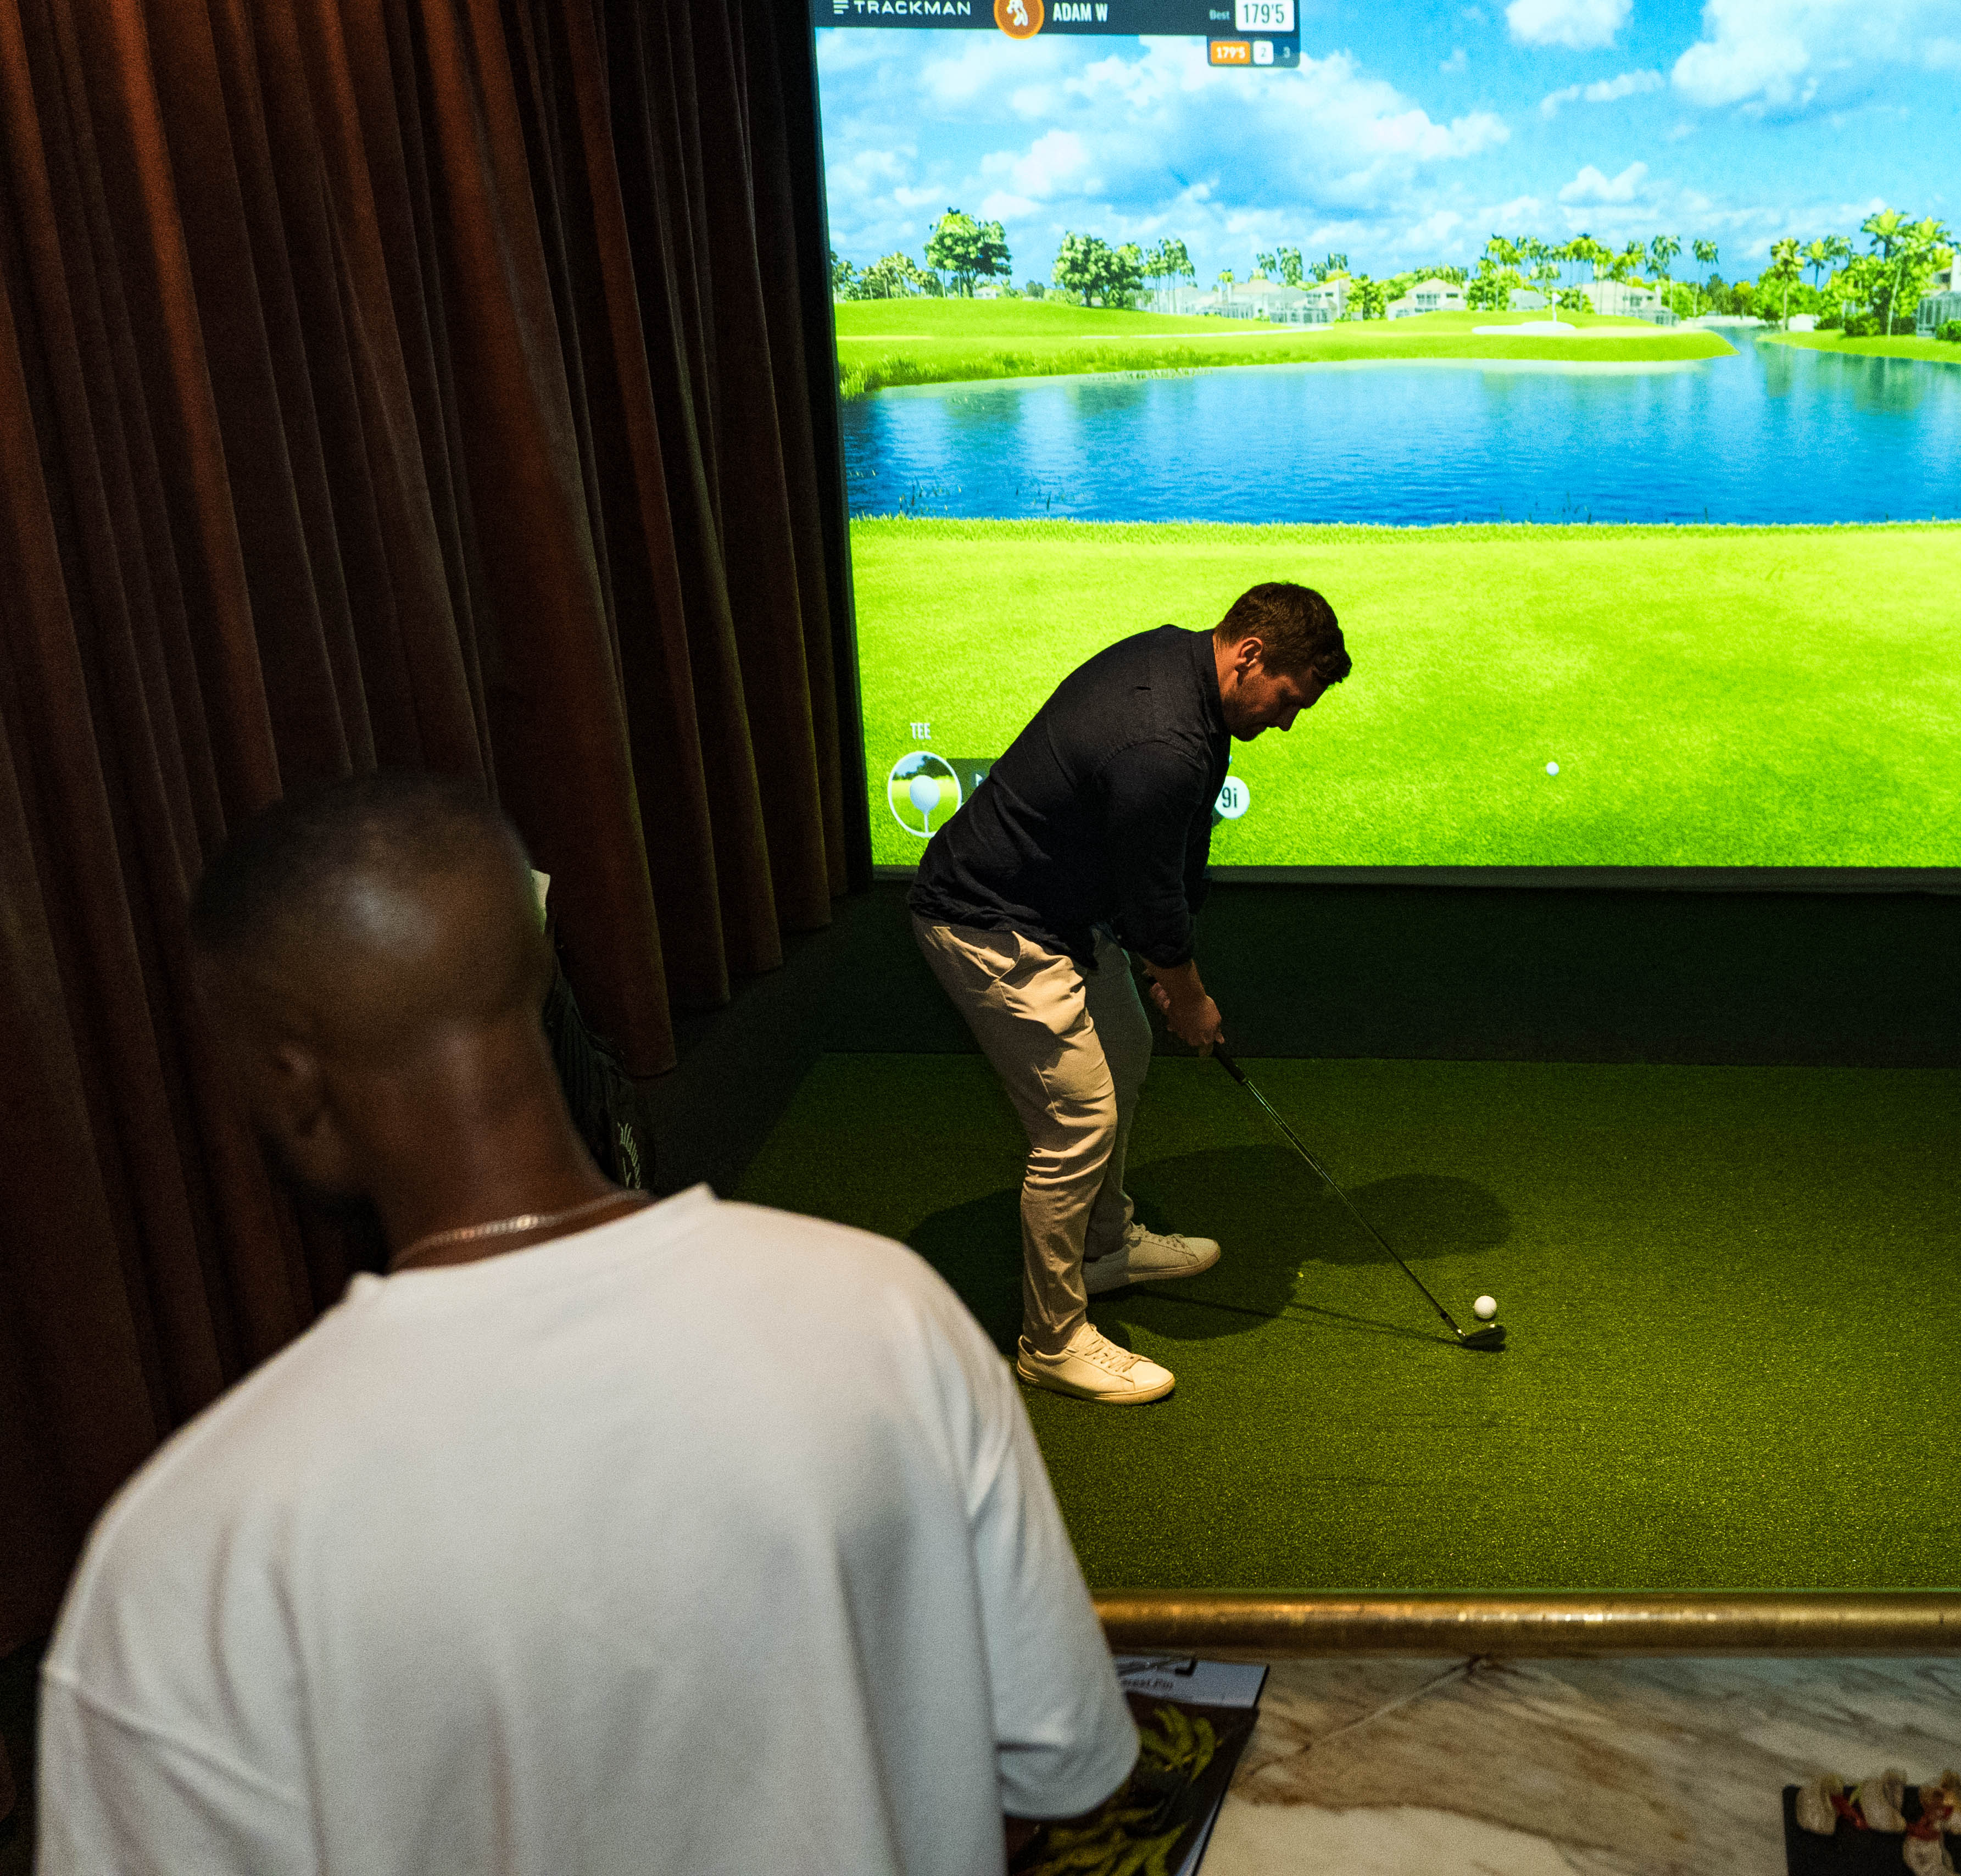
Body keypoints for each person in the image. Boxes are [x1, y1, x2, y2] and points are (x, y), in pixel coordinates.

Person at [37, 771, 1135, 1875]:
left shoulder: (187, 1549)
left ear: (289, 1078)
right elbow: (1056, 1766)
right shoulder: (890, 1313)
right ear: (538, 962)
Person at [910, 582, 1349, 1407]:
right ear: (1250, 656)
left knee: (1126, 1051)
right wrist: (1189, 994)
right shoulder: (1161, 741)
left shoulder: (1188, 676)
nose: (1289, 722)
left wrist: (1163, 967)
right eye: (1290, 700)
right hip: (988, 920)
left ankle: (1105, 1245)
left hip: (1063, 909)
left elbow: (1167, 862)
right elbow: (1153, 902)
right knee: (1078, 1121)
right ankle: (1052, 1341)